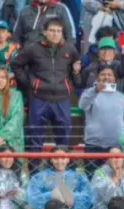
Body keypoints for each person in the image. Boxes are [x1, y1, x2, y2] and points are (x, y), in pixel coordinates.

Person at [11, 18, 81, 154]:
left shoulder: (70, 50)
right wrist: (30, 84)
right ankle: (35, 173)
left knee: (63, 139)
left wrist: (75, 73)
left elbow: (76, 70)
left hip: (62, 98)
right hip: (39, 98)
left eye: (58, 31)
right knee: (35, 138)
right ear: (45, 32)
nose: (55, 34)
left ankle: (61, 173)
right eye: (52, 30)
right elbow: (16, 65)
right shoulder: (32, 48)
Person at [27, 148, 94, 209]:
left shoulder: (79, 177)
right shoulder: (40, 177)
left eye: (63, 158)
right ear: (51, 159)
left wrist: (71, 197)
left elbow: (89, 197)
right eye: (55, 158)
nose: (59, 161)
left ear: (68, 159)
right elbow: (32, 199)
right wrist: (51, 196)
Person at [79, 67, 124, 161]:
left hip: (116, 147)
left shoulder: (122, 98)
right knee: (91, 175)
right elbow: (82, 105)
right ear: (97, 78)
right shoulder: (89, 93)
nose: (106, 77)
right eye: (103, 74)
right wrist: (95, 90)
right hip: (93, 146)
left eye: (109, 74)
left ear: (114, 79)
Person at [11, 0, 76, 47]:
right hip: (28, 53)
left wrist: (67, 52)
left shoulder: (61, 9)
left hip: (53, 54)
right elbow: (16, 36)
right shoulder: (25, 11)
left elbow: (71, 35)